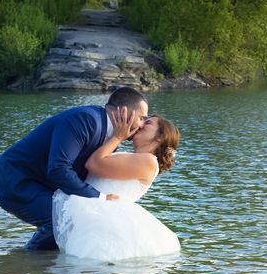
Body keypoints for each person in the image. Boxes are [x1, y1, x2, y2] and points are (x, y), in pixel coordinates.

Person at [0, 87, 149, 250]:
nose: (142, 125)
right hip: (15, 180)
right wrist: (99, 198)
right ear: (124, 111)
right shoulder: (86, 120)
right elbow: (58, 168)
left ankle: (41, 269)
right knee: (62, 222)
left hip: (41, 184)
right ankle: (27, 264)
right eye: (141, 118)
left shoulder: (110, 136)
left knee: (71, 223)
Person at [52, 109, 180, 262]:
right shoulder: (131, 156)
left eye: (148, 123)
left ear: (160, 137)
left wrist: (118, 136)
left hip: (103, 216)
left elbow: (94, 164)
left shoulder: (149, 161)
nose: (140, 124)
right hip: (91, 208)